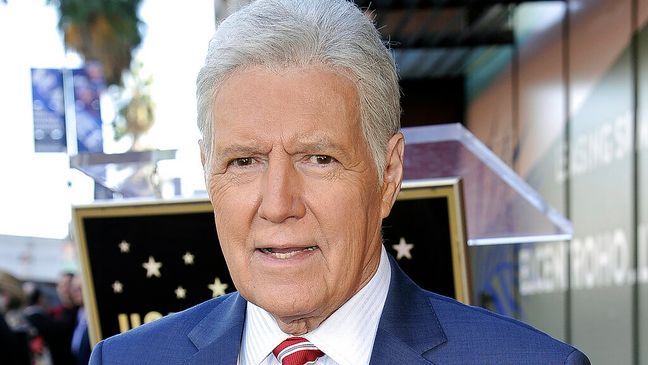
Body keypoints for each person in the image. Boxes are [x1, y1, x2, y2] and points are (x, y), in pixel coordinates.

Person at [90, 0, 590, 364]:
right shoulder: (126, 360)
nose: (278, 203)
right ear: (208, 172)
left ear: (388, 175)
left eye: (318, 158)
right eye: (244, 162)